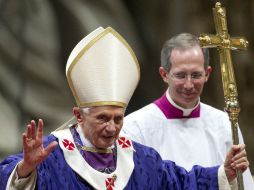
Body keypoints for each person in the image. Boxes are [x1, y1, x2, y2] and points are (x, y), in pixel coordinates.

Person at [0, 27, 248, 190]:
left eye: (118, 119)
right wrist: (26, 169)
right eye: (103, 118)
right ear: (78, 116)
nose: (112, 128)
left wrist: (223, 172)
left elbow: (181, 182)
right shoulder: (52, 155)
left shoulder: (141, 158)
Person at [123, 33, 254, 189]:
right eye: (181, 75)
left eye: (196, 75)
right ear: (164, 74)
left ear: (207, 74)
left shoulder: (225, 124)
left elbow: (244, 185)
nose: (189, 84)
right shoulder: (135, 127)